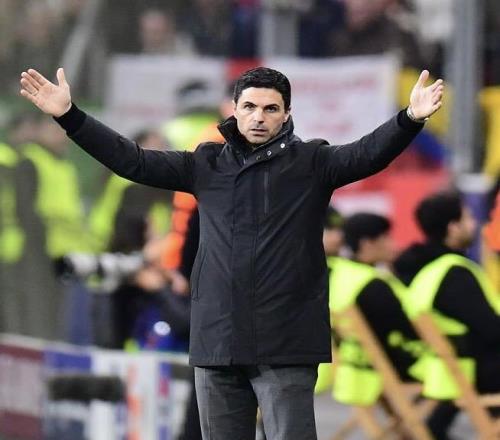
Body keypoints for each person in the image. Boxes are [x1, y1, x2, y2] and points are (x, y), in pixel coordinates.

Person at [20, 65, 443, 440]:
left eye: (271, 109)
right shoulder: (206, 164)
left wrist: (410, 118)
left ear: (287, 114)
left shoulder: (313, 162)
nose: (259, 117)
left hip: (285, 340)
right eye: (250, 107)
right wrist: (69, 116)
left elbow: (368, 153)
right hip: (217, 339)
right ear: (234, 110)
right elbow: (132, 161)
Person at [394, 190, 500, 439]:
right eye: (468, 218)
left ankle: (434, 429)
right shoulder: (454, 274)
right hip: (478, 369)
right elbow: (493, 330)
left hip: (448, 365)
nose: (475, 224)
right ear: (453, 227)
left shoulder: (423, 269)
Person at [317, 212, 422, 405]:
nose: (394, 244)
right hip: (390, 366)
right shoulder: (373, 284)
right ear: (367, 244)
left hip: (353, 365)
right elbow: (409, 329)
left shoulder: (337, 272)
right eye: (387, 237)